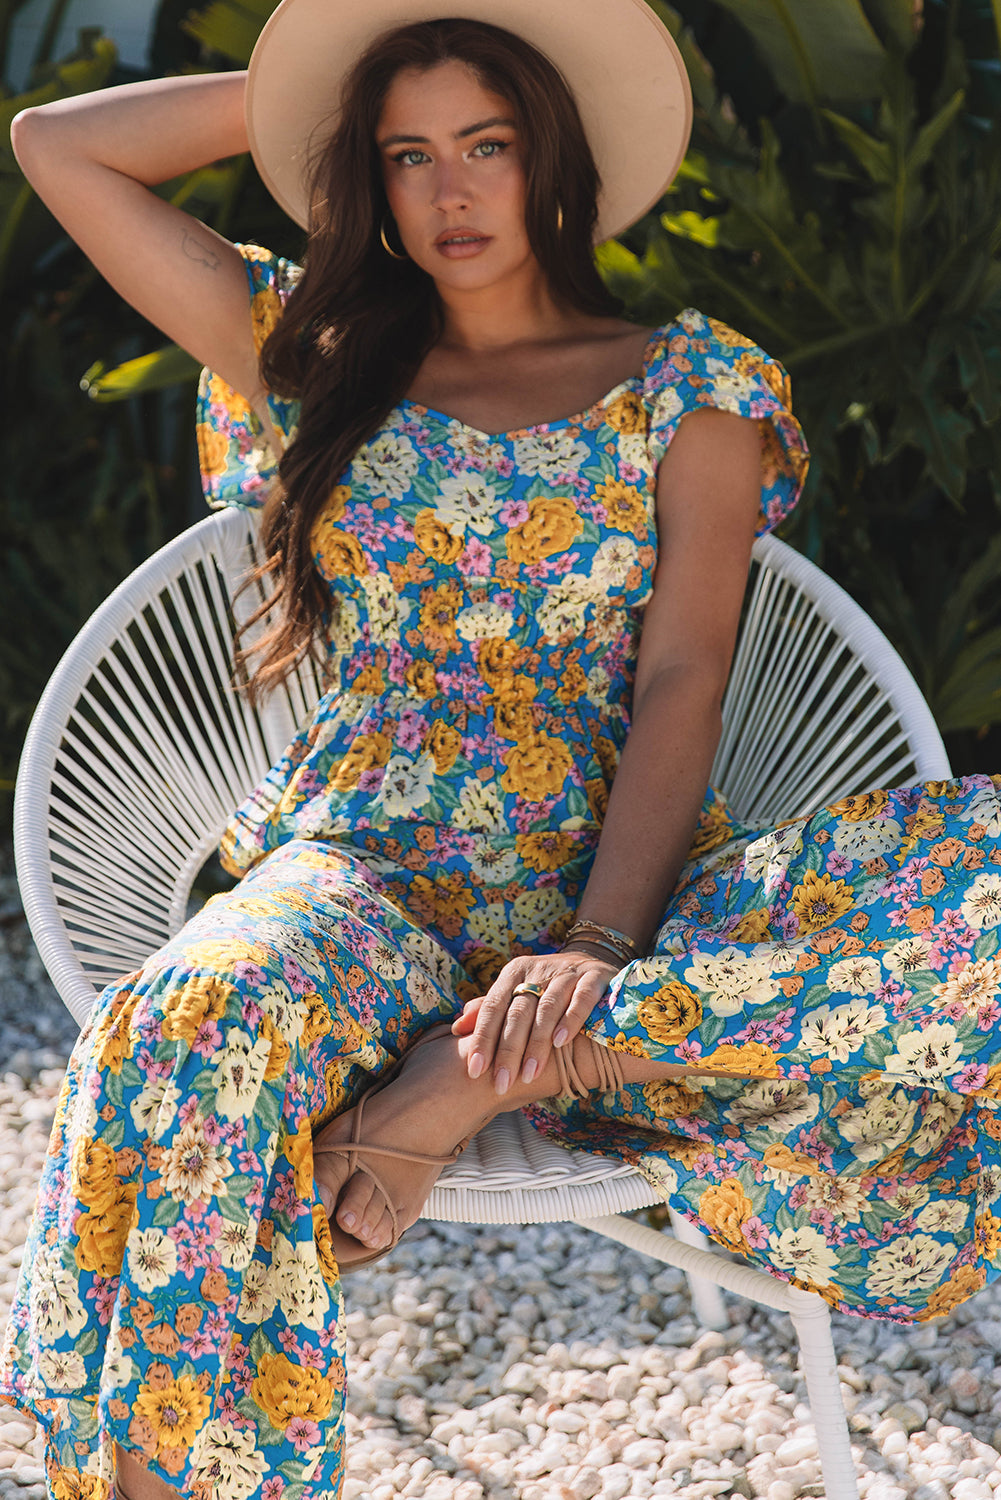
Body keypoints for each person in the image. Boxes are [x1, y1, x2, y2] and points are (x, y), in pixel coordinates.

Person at [3, 0, 1001, 1495]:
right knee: (187, 1020)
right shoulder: (315, 352)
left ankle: (478, 1073)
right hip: (365, 883)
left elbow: (684, 677)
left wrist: (595, 945)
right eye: (407, 156)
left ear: (556, 158)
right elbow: (59, 147)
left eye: (487, 144)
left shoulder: (690, 387)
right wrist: (319, 81)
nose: (450, 190)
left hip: (632, 911)